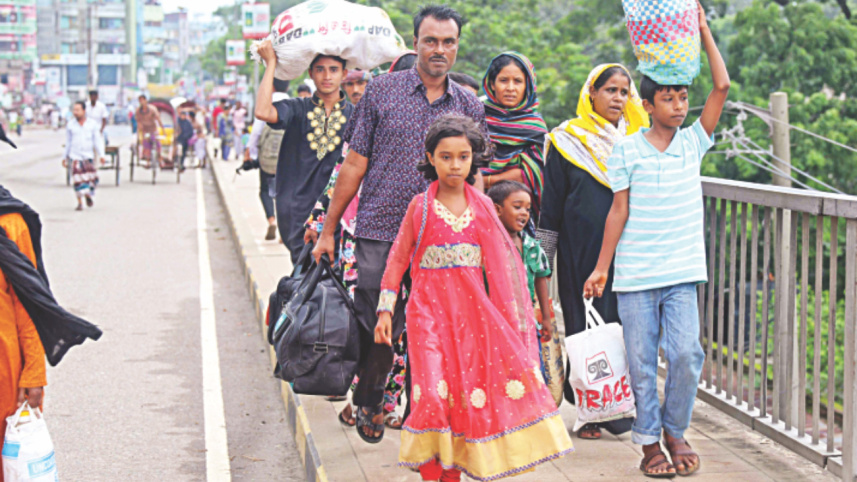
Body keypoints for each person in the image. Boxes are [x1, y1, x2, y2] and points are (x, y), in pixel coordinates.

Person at [312, 5, 488, 445]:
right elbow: (354, 163)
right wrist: (331, 228)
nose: (439, 50)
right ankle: (371, 397)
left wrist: (484, 234)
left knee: (433, 328)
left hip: (442, 237)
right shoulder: (381, 92)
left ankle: (423, 412)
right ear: (416, 43)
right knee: (378, 321)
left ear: (457, 47)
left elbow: (476, 175)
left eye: (448, 42)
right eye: (431, 41)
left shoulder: (468, 104)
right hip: (379, 229)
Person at [375, 115, 573, 480]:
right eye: (446, 156)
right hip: (426, 316)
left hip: (473, 321)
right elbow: (398, 259)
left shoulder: (483, 206)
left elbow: (504, 266)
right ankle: (432, 473)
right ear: (430, 158)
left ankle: (453, 473)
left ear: (473, 159)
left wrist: (516, 320)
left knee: (464, 398)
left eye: (463, 156)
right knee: (432, 396)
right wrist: (386, 311)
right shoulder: (418, 207)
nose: (454, 165)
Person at [583, 3, 730, 477]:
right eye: (668, 98)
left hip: (682, 272)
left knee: (687, 355)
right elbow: (618, 210)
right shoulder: (627, 149)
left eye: (683, 97)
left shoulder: (693, 142)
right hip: (636, 273)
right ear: (646, 106)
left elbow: (722, 86)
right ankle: (649, 443)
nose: (680, 105)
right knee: (642, 363)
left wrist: (704, 31)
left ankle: (675, 429)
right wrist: (602, 267)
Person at [538, 63, 649, 441]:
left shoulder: (640, 139)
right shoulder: (568, 140)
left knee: (626, 325)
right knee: (585, 326)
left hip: (631, 251)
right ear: (592, 93)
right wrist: (543, 263)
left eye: (623, 91)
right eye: (610, 90)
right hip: (580, 252)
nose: (618, 98)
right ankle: (590, 410)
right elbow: (550, 205)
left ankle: (623, 404)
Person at [254, 42, 354, 264]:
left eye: (333, 70)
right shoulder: (297, 109)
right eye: (320, 69)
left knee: (336, 287)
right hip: (297, 211)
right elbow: (262, 111)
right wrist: (270, 64)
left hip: (339, 213)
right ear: (311, 73)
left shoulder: (356, 117)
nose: (326, 76)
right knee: (304, 280)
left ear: (344, 74)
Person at [480, 52, 548, 222]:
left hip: (517, 213)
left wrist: (485, 180)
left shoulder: (535, 127)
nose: (510, 88)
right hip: (475, 205)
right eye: (503, 80)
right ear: (492, 84)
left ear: (528, 86)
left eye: (517, 81)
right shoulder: (475, 115)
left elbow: (530, 173)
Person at [488, 180, 552, 343]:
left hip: (527, 323)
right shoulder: (489, 247)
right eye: (517, 207)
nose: (524, 213)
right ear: (497, 209)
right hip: (497, 324)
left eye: (528, 209)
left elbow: (540, 279)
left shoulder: (532, 247)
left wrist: (545, 317)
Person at [245, 78, 290, 240]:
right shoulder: (294, 104)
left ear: (271, 86)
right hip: (287, 160)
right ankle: (285, 229)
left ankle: (272, 221)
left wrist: (251, 154)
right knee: (284, 193)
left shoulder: (267, 104)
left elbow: (256, 132)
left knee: (265, 190)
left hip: (267, 160)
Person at [63, 101, 103, 211]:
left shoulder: (92, 124)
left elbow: (97, 141)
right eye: (74, 110)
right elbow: (68, 142)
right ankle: (80, 202)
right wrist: (64, 157)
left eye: (78, 110)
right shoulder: (70, 125)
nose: (75, 112)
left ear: (84, 111)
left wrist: (102, 154)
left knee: (90, 180)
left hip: (88, 156)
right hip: (75, 157)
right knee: (77, 181)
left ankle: (88, 195)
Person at [135, 95, 164, 164]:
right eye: (140, 101)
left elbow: (158, 119)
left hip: (153, 128)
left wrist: (163, 130)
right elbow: (138, 121)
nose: (141, 102)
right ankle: (148, 161)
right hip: (145, 129)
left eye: (142, 100)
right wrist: (140, 127)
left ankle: (160, 158)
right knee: (146, 143)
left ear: (146, 100)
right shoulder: (138, 111)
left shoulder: (152, 109)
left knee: (157, 143)